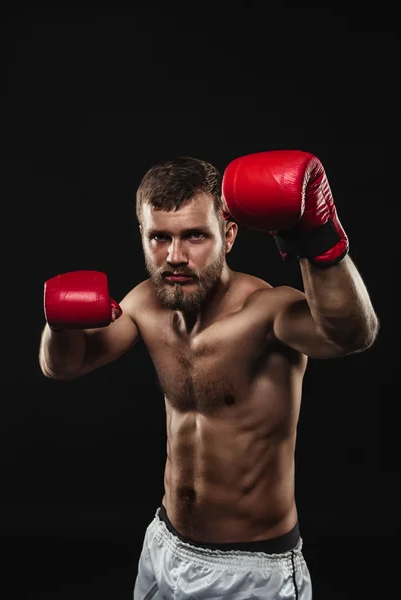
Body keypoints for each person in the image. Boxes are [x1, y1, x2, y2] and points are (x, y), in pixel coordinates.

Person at [38, 150, 379, 599]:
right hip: (164, 545)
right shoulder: (145, 303)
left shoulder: (266, 312)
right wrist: (58, 322)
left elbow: (354, 334)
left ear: (229, 234)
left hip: (250, 570)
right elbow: (63, 365)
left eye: (195, 235)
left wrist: (319, 243)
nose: (175, 256)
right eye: (159, 237)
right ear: (142, 234)